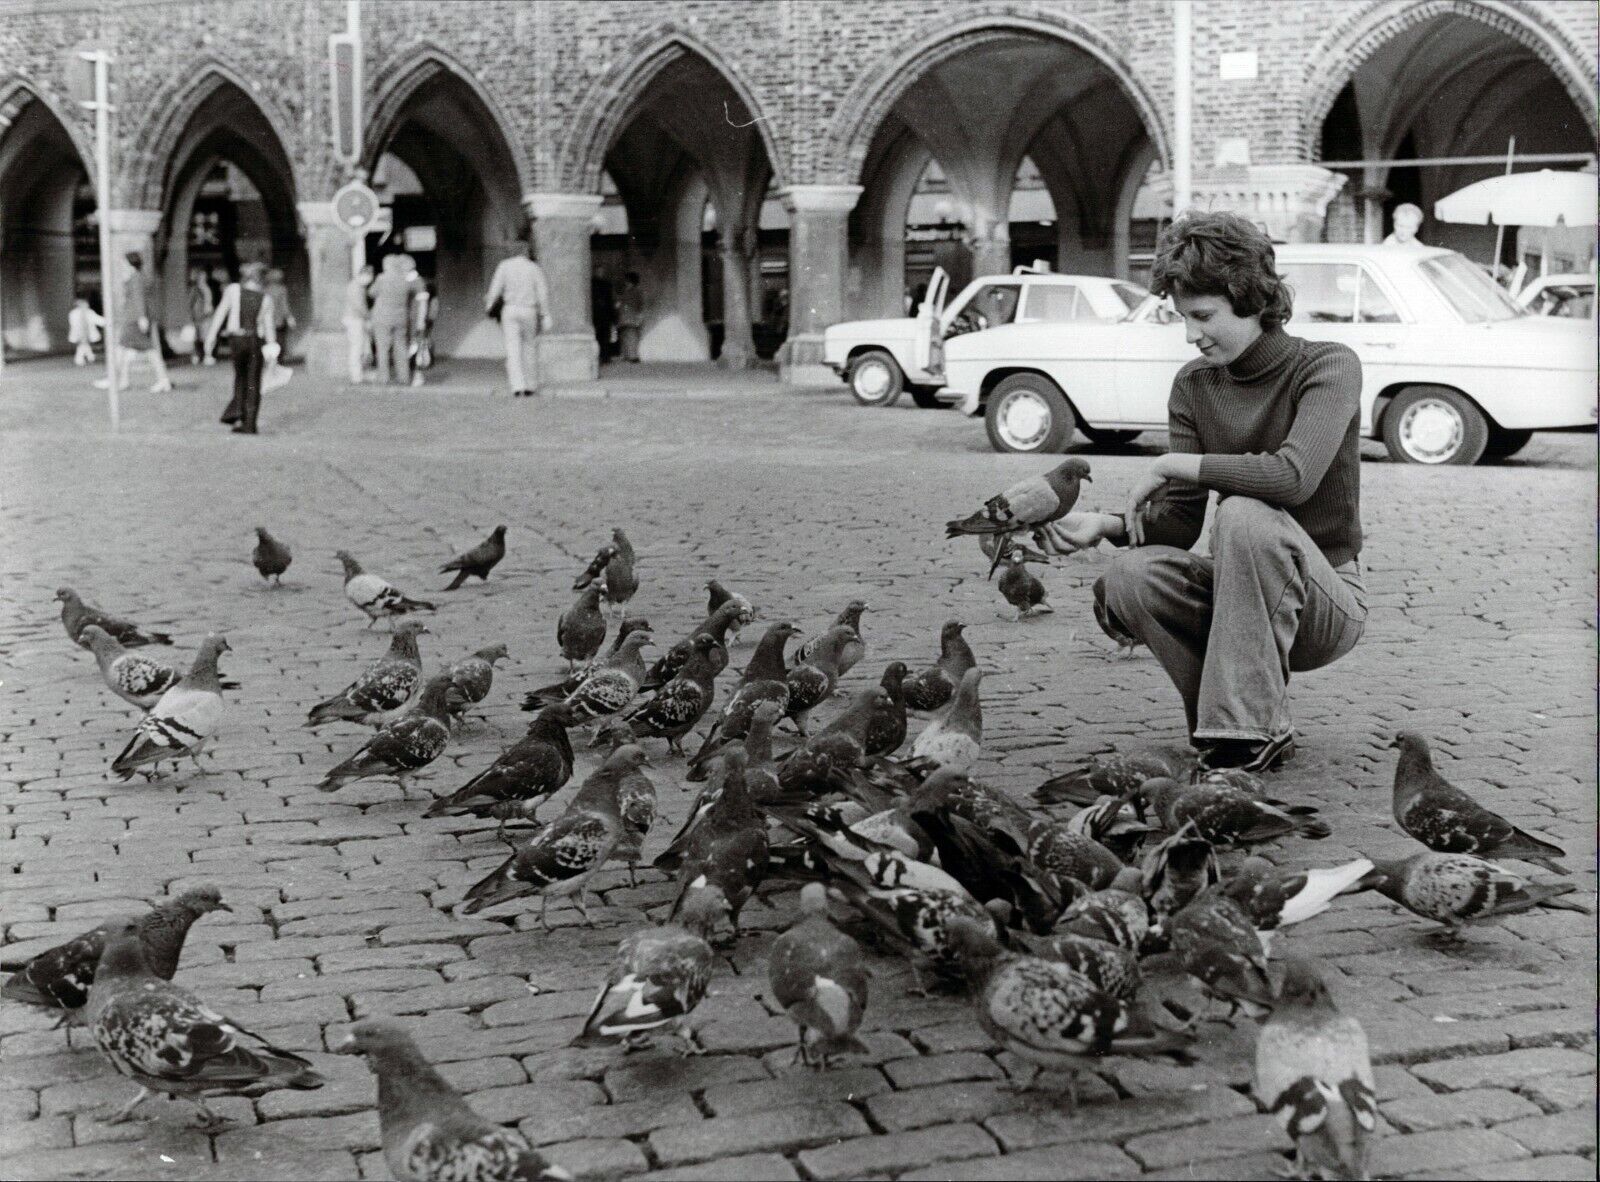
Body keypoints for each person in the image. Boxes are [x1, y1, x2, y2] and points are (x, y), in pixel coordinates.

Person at [1038, 211, 1367, 774]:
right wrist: (1110, 525)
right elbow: (1181, 525)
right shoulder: (1194, 384)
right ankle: (1230, 729)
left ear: (1253, 298)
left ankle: (1245, 725)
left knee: (1244, 512)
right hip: (1237, 591)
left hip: (1325, 600)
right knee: (1130, 575)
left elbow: (1293, 478)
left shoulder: (1328, 365)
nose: (1191, 335)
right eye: (1182, 318)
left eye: (1203, 316)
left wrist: (1175, 462)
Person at [204, 260, 276, 435]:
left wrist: (211, 337)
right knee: (254, 382)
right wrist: (273, 354)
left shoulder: (233, 291)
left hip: (237, 339)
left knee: (240, 377)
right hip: (255, 340)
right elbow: (269, 328)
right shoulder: (266, 299)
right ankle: (250, 423)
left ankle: (237, 413)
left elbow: (221, 312)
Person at [485, 241, 551, 396]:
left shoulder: (504, 266)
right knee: (529, 347)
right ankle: (530, 385)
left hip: (510, 309)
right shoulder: (534, 268)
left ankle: (517, 385)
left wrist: (489, 305)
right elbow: (542, 293)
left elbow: (495, 288)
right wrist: (545, 314)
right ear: (527, 252)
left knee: (512, 348)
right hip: (529, 310)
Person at [111, 252, 173, 392]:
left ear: (129, 263)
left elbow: (138, 299)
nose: (122, 265)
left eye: (124, 262)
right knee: (132, 350)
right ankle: (123, 380)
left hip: (134, 320)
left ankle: (117, 379)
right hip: (135, 319)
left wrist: (141, 317)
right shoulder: (136, 277)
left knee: (126, 349)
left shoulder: (135, 278)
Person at [368, 254, 422, 387]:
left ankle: (383, 378)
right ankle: (404, 377)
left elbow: (371, 292)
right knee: (401, 347)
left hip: (382, 318)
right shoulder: (406, 280)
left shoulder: (382, 278)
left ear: (387, 265)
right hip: (401, 318)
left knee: (383, 348)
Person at [342, 264, 374, 384]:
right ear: (364, 274)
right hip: (354, 319)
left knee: (360, 347)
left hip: (355, 319)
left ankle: (359, 374)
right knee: (357, 347)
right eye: (370, 276)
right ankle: (356, 376)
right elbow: (359, 306)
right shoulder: (356, 287)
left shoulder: (357, 286)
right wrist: (369, 317)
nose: (370, 279)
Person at [265, 267, 296, 359]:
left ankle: (270, 359)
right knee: (280, 340)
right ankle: (279, 359)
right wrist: (290, 317)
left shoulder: (265, 289)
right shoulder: (282, 289)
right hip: (279, 320)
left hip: (268, 320)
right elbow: (284, 305)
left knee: (270, 341)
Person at [187, 267, 215, 365]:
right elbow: (190, 303)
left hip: (208, 315)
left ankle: (207, 355)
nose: (204, 278)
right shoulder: (195, 289)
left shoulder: (207, 288)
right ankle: (197, 356)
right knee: (197, 337)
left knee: (207, 336)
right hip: (198, 316)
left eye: (205, 276)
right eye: (202, 276)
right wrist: (191, 316)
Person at [67, 296, 104, 365]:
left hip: (84, 332)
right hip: (81, 332)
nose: (87, 305)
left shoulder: (86, 312)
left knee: (84, 344)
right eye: (85, 304)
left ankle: (90, 356)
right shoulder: (77, 313)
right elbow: (98, 320)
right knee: (83, 345)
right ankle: (79, 359)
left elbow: (97, 320)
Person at [616, 271, 643, 364]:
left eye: (627, 280)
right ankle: (628, 355)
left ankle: (633, 356)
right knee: (626, 336)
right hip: (626, 316)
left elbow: (639, 304)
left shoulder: (634, 291)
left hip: (630, 316)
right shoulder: (628, 291)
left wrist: (639, 315)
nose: (625, 282)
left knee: (631, 336)